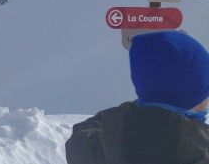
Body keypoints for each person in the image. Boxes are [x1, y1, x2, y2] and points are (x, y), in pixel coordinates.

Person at [66, 31, 209, 164]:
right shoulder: (200, 151)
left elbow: (82, 134)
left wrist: (148, 103)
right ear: (192, 98)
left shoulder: (98, 149)